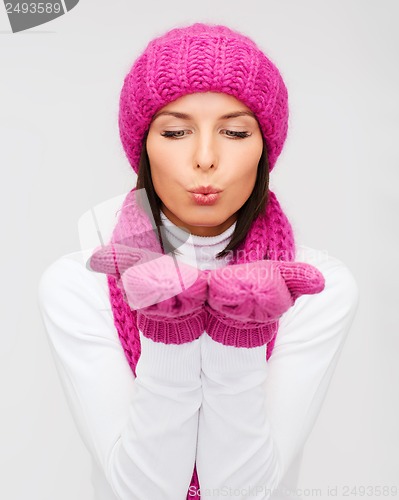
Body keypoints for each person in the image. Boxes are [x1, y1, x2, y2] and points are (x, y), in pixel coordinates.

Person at [37, 22, 359, 500]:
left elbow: (241, 492)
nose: (205, 157)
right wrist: (170, 332)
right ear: (143, 144)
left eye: (233, 131)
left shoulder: (314, 287)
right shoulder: (78, 284)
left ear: (264, 150)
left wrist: (240, 332)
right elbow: (145, 492)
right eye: (174, 131)